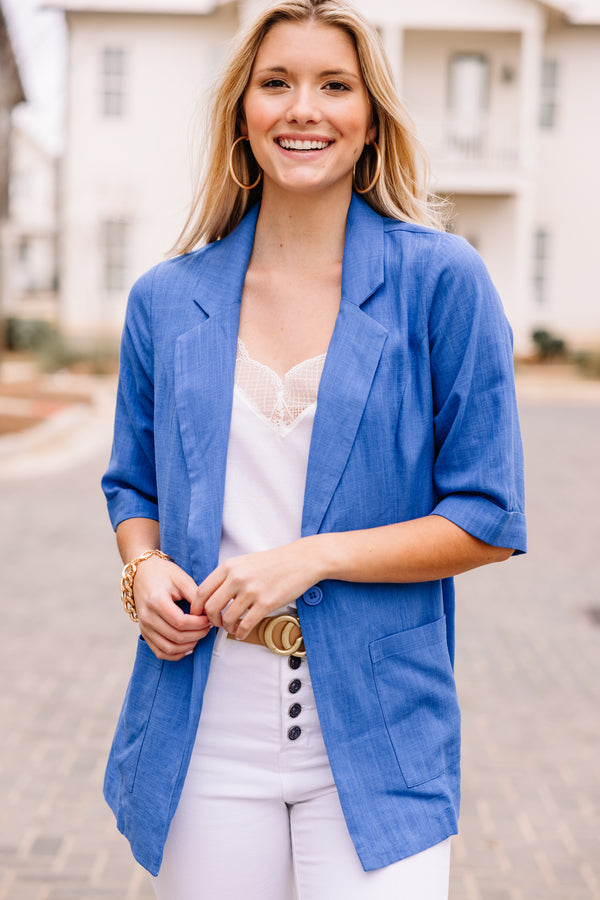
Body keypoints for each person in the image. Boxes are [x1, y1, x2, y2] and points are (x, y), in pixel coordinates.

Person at [101, 0, 526, 897]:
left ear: (370, 122)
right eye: (276, 83)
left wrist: (309, 559)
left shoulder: (441, 282)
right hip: (202, 726)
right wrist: (140, 574)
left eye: (335, 85)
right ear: (241, 116)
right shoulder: (166, 300)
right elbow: (131, 484)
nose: (304, 108)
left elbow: (488, 516)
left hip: (380, 736)